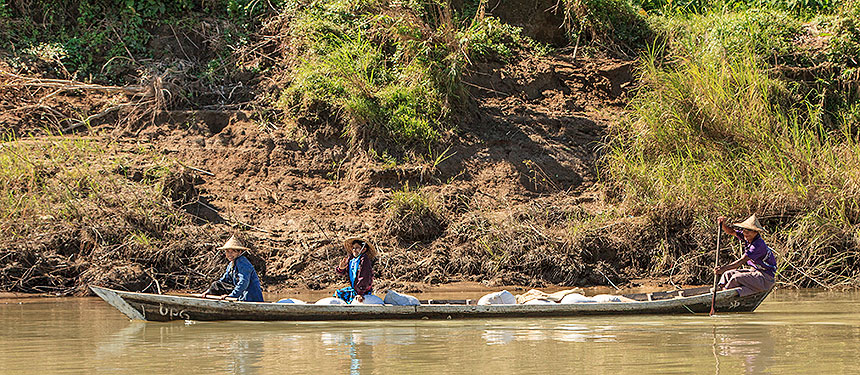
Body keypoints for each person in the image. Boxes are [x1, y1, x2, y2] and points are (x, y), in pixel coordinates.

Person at [714, 214, 777, 296]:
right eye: (744, 230)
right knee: (727, 274)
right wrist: (722, 225)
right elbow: (731, 231)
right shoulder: (747, 237)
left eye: (749, 231)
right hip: (755, 272)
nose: (745, 233)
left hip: (765, 278)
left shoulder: (757, 246)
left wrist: (722, 269)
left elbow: (740, 262)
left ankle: (724, 294)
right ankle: (720, 289)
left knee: (736, 278)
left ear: (755, 232)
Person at [202, 235, 264, 302]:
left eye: (233, 252)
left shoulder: (242, 262)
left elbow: (244, 282)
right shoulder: (231, 264)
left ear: (239, 252)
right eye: (227, 252)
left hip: (250, 297)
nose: (229, 254)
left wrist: (231, 296)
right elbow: (223, 280)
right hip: (241, 296)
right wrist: (208, 291)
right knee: (216, 285)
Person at [334, 237, 377, 304]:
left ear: (363, 249)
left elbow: (364, 277)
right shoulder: (351, 260)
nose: (354, 250)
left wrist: (360, 293)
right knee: (337, 293)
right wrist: (341, 268)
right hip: (355, 288)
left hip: (363, 290)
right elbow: (343, 272)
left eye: (357, 248)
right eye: (353, 248)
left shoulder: (364, 260)